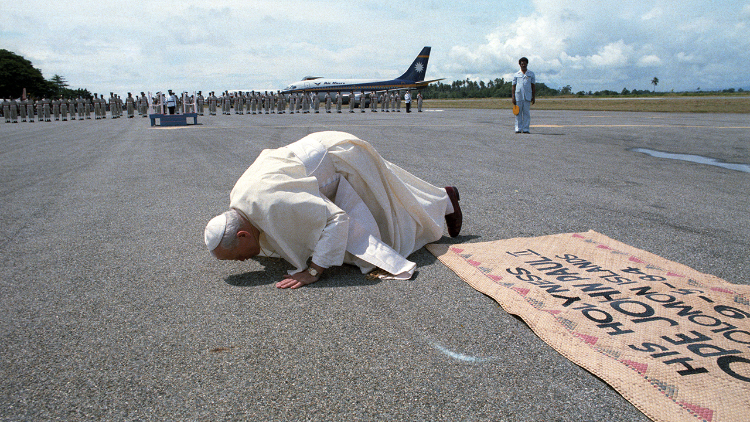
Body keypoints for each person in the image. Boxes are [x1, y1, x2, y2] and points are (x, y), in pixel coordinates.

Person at [204, 131, 463, 289]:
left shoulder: (271, 203)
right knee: (396, 193)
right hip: (318, 152)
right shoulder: (239, 200)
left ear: (243, 236)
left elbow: (336, 220)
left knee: (393, 219)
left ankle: (446, 200)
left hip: (342, 158)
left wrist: (314, 271)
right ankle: (445, 197)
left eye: (237, 257)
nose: (243, 262)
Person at [511, 57, 535, 134]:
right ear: (519, 65)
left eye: (525, 63)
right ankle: (518, 128)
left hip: (527, 96)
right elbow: (513, 86)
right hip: (518, 96)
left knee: (526, 113)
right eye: (522, 64)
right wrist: (513, 97)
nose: (523, 65)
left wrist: (533, 97)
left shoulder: (531, 74)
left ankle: (526, 129)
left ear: (527, 64)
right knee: (518, 113)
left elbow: (533, 86)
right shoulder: (516, 74)